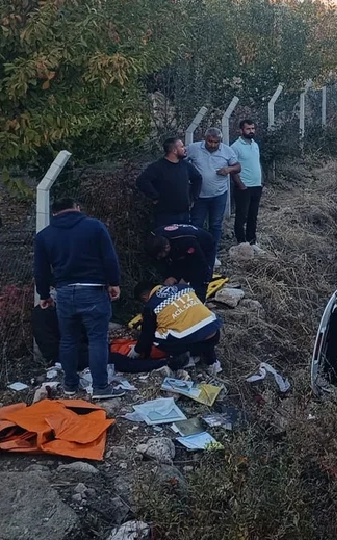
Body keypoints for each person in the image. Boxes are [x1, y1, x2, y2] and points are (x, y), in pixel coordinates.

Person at [32, 198, 125, 400]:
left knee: (68, 340)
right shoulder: (94, 226)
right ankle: (101, 387)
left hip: (64, 292)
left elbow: (40, 270)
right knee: (97, 339)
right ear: (77, 208)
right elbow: (109, 257)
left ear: (54, 213)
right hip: (94, 290)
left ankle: (70, 385)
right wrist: (114, 282)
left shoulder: (44, 236)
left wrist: (45, 295)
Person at [130, 281, 222, 371]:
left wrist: (137, 351)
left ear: (144, 296)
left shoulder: (151, 306)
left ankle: (184, 359)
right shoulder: (183, 287)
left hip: (191, 341)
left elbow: (147, 335)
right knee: (200, 326)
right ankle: (212, 362)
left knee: (158, 336)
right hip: (214, 332)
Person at [187, 128, 240, 265]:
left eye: (216, 142)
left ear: (220, 141)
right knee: (196, 225)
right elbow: (182, 160)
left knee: (215, 225)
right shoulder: (194, 148)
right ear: (205, 139)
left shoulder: (227, 151)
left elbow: (237, 167)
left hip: (219, 195)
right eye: (210, 141)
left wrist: (228, 170)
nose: (212, 145)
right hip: (199, 196)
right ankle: (195, 254)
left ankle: (212, 254)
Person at [136, 137, 203, 229]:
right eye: (182, 147)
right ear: (174, 150)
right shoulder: (157, 167)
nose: (185, 149)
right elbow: (142, 181)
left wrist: (193, 198)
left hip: (184, 213)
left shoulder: (186, 165)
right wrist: (154, 196)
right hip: (164, 214)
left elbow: (197, 178)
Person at [149, 223, 216, 302]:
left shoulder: (187, 242)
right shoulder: (154, 237)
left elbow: (198, 263)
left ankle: (199, 302)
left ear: (167, 247)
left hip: (204, 244)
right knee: (176, 272)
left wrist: (185, 279)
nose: (158, 258)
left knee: (201, 275)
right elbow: (165, 263)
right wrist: (170, 277)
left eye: (160, 256)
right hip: (180, 246)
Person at [230, 119, 263, 250]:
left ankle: (252, 241)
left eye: (253, 128)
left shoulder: (255, 144)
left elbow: (257, 162)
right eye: (248, 129)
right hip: (244, 186)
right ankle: (241, 242)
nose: (251, 131)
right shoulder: (235, 147)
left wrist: (261, 179)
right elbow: (232, 168)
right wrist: (240, 184)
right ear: (241, 130)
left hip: (256, 185)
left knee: (253, 215)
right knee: (241, 215)